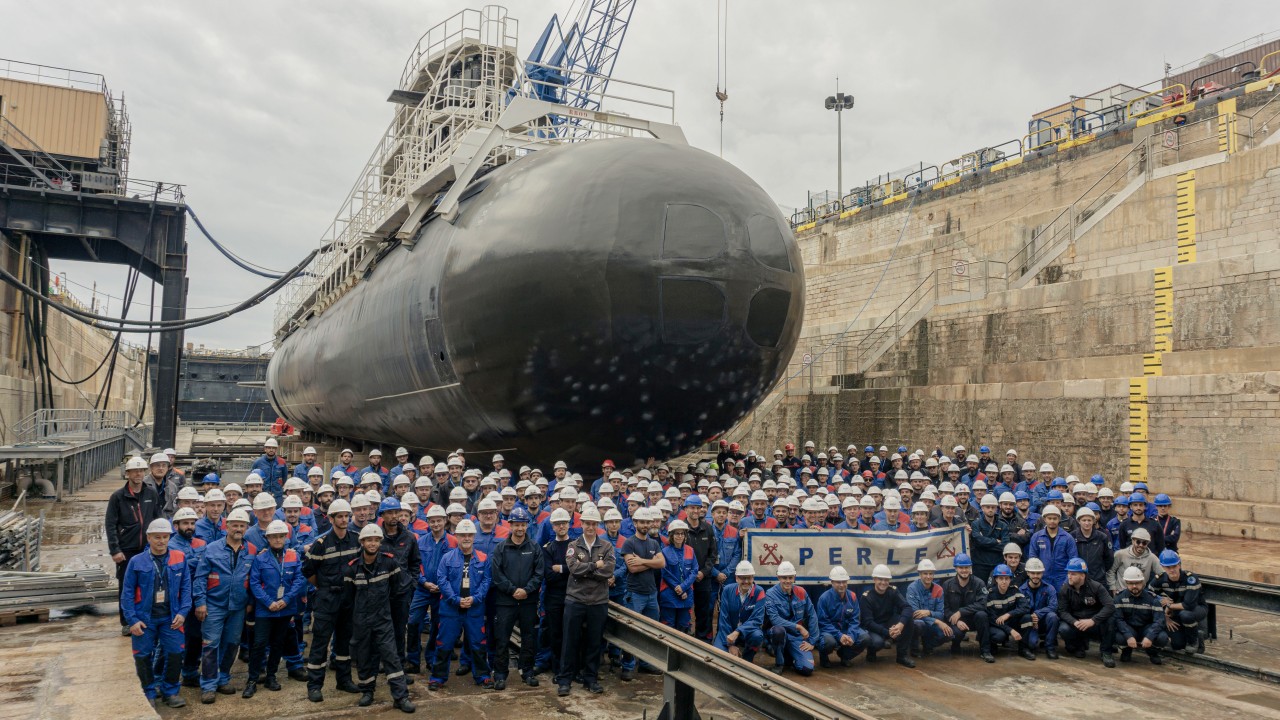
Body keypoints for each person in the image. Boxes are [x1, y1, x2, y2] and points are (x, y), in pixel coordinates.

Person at [345, 523, 416, 713]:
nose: (373, 543)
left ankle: (400, 697)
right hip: (361, 621)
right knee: (365, 658)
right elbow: (349, 597)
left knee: (392, 658)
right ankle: (367, 691)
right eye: (369, 540)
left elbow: (396, 589)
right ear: (362, 542)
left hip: (383, 620)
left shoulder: (389, 563)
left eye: (376, 540)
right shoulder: (352, 568)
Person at [122, 518, 190, 709]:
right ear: (149, 537)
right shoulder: (136, 562)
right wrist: (132, 620)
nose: (161, 541)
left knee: (176, 653)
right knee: (142, 656)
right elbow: (126, 593)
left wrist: (183, 613)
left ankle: (170, 691)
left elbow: (186, 588)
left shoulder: (180, 557)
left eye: (165, 537)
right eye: (157, 537)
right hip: (145, 619)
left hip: (172, 617)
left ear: (170, 537)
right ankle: (149, 692)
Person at [302, 498, 360, 702]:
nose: (344, 520)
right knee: (320, 643)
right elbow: (308, 571)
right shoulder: (321, 543)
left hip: (348, 599)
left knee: (344, 643)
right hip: (327, 599)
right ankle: (315, 685)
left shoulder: (356, 539)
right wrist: (323, 586)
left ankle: (344, 681)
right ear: (331, 518)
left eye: (346, 516)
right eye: (340, 516)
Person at [244, 520, 308, 698]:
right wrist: (268, 602)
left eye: (281, 536)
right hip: (265, 609)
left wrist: (286, 599)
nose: (278, 539)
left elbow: (299, 579)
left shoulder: (293, 556)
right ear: (268, 538)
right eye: (274, 536)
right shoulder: (260, 558)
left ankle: (272, 676)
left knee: (278, 643)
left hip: (285, 609)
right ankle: (252, 679)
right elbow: (254, 583)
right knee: (259, 644)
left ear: (286, 538)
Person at [430, 519, 492, 691]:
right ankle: (437, 677)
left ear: (474, 536)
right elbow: (442, 580)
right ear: (456, 536)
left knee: (478, 644)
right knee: (444, 643)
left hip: (474, 609)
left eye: (469, 535)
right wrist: (456, 600)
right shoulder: (446, 558)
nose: (466, 538)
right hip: (451, 609)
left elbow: (487, 581)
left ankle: (483, 676)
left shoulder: (483, 558)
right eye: (462, 535)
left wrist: (475, 599)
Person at [558, 507, 614, 696]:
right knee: (569, 641)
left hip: (598, 601)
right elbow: (573, 568)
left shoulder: (606, 546)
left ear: (597, 525)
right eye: (587, 523)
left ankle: (591, 679)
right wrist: (594, 566)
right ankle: (564, 679)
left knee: (594, 642)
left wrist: (587, 570)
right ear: (581, 524)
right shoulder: (573, 545)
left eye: (593, 523)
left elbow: (608, 571)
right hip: (575, 599)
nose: (590, 526)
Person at [490, 507, 544, 690]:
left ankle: (527, 671)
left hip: (528, 601)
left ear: (527, 525)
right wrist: (513, 590)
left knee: (529, 637)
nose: (520, 528)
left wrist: (526, 590)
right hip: (506, 601)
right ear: (510, 525)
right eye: (516, 524)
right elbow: (497, 575)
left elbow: (539, 574)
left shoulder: (534, 548)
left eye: (523, 524)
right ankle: (500, 674)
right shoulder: (501, 548)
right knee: (502, 638)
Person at [108, 456, 162, 635]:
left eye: (141, 471)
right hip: (127, 550)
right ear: (127, 474)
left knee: (150, 584)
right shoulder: (118, 497)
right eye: (135, 471)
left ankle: (147, 618)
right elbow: (110, 525)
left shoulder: (151, 494)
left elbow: (157, 519)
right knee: (127, 586)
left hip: (148, 548)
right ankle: (126, 621)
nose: (139, 474)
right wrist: (115, 550)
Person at [407, 504, 454, 674]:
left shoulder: (452, 542)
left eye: (439, 521)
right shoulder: (420, 541)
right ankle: (412, 659)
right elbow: (415, 565)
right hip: (423, 589)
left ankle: (431, 658)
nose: (436, 524)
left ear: (445, 521)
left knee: (437, 625)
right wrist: (423, 582)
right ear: (428, 522)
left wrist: (443, 586)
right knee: (412, 622)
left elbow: (454, 567)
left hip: (442, 592)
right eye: (432, 521)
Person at [619, 507, 666, 679]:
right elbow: (632, 568)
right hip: (635, 594)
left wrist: (643, 561)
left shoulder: (653, 543)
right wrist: (652, 562)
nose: (645, 525)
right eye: (642, 522)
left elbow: (662, 563)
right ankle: (628, 666)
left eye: (648, 522)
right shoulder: (629, 543)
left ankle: (646, 664)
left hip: (651, 593)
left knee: (651, 631)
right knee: (631, 630)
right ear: (635, 523)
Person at [377, 498, 422, 669]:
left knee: (399, 630)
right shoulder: (376, 537)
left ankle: (398, 664)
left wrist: (412, 584)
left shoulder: (409, 538)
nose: (394, 516)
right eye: (389, 513)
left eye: (396, 512)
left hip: (402, 592)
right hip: (380, 592)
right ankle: (383, 661)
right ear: (382, 515)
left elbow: (415, 563)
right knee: (381, 629)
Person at [166, 508, 206, 689]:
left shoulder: (201, 544)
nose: (190, 527)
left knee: (195, 637)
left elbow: (204, 568)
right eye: (185, 523)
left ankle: (190, 672)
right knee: (173, 639)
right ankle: (165, 678)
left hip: (195, 597)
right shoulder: (170, 546)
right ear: (176, 526)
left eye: (192, 523)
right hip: (177, 600)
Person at [1057, 558, 1116, 668]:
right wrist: (1074, 622)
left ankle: (1106, 652)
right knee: (1063, 628)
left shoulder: (1096, 587)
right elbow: (1062, 611)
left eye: (1073, 574)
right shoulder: (1065, 589)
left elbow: (1110, 606)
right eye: (1068, 573)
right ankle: (1077, 646)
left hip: (1094, 623)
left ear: (1083, 575)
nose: (1069, 576)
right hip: (1077, 623)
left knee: (1110, 620)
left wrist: (1093, 620)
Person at [537, 507, 574, 678]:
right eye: (558, 524)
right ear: (552, 527)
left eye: (564, 523)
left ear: (569, 524)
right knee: (555, 633)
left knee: (572, 633)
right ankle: (557, 669)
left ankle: (571, 669)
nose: (561, 526)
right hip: (553, 597)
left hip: (573, 595)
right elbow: (549, 576)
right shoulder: (547, 548)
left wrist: (561, 568)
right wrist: (569, 571)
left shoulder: (576, 546)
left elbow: (579, 571)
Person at [765, 561, 818, 676]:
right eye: (784, 577)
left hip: (796, 637)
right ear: (778, 577)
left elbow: (812, 615)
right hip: (779, 633)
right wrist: (798, 627)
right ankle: (779, 663)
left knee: (807, 669)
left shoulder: (801, 592)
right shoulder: (770, 594)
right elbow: (775, 619)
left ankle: (790, 658)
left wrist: (812, 641)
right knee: (778, 631)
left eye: (790, 577)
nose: (788, 581)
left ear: (794, 577)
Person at [1150, 550, 1207, 654]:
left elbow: (1189, 605)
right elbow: (1148, 595)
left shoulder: (1190, 578)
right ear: (1163, 567)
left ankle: (1193, 642)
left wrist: (1169, 606)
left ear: (1179, 564)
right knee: (1177, 645)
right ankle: (1195, 635)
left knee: (1186, 615)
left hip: (1196, 609)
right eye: (1168, 567)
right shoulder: (1160, 579)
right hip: (1176, 611)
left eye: (1174, 566)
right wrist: (1161, 602)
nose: (1172, 570)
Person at [859, 564, 915, 668]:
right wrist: (887, 633)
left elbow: (907, 607)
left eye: (886, 580)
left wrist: (900, 624)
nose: (883, 582)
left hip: (889, 622)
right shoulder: (866, 597)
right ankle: (871, 651)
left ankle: (902, 656)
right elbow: (868, 622)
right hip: (874, 627)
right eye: (880, 579)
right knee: (877, 643)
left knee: (909, 620)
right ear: (874, 579)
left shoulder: (893, 591)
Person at [942, 553, 994, 663]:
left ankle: (985, 651)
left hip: (973, 619)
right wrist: (956, 621)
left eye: (967, 567)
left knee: (982, 615)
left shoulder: (979, 583)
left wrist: (961, 612)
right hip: (956, 620)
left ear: (970, 568)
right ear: (956, 568)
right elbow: (945, 608)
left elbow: (982, 604)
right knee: (956, 632)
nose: (964, 570)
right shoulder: (947, 585)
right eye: (961, 567)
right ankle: (955, 645)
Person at [681, 496, 720, 642]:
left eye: (698, 507)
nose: (695, 510)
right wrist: (690, 574)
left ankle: (703, 641)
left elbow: (713, 554)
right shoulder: (680, 528)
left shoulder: (707, 528)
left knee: (704, 612)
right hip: (685, 579)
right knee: (684, 610)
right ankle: (684, 640)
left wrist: (703, 572)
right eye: (692, 507)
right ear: (685, 509)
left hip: (703, 578)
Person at [1114, 565, 1168, 664]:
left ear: (1142, 582)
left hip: (1146, 629)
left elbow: (1159, 620)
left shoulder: (1152, 599)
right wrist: (1128, 636)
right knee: (1119, 636)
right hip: (1130, 628)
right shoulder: (1119, 598)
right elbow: (1118, 620)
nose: (1134, 586)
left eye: (1137, 583)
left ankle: (1152, 652)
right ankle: (1126, 650)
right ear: (1126, 583)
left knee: (1162, 637)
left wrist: (1150, 636)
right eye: (1131, 583)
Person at [713, 561, 766, 660]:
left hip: (746, 632)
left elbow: (757, 619)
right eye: (742, 578)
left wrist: (738, 632)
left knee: (757, 636)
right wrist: (730, 644)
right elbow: (724, 618)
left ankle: (747, 659)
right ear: (736, 578)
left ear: (753, 578)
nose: (746, 581)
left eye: (749, 577)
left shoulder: (759, 592)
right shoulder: (728, 590)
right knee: (718, 657)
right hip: (728, 632)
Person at [817, 565, 868, 667]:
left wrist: (851, 636)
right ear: (832, 582)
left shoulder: (852, 596)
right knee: (828, 642)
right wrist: (839, 635)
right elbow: (823, 623)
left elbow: (855, 620)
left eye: (844, 582)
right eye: (838, 582)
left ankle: (845, 655)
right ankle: (823, 657)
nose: (842, 585)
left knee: (865, 638)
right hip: (829, 631)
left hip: (846, 630)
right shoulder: (824, 598)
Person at [985, 564, 1035, 661]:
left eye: (1007, 578)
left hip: (1009, 620)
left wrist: (1009, 614)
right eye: (1001, 578)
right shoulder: (990, 595)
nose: (1004, 581)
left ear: (1010, 579)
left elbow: (1025, 607)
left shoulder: (1014, 590)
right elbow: (992, 618)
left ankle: (1024, 649)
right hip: (996, 624)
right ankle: (992, 644)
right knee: (1000, 636)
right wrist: (1011, 631)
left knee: (1027, 618)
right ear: (996, 579)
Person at [658, 519, 698, 633]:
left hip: (687, 594)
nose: (679, 536)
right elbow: (665, 572)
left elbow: (694, 570)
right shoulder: (664, 551)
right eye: (677, 533)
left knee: (684, 625)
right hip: (670, 594)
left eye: (682, 533)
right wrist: (678, 588)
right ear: (671, 535)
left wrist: (683, 587)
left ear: (685, 535)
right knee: (668, 625)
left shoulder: (690, 550)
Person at [1028, 505, 1077, 591]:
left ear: (1059, 519)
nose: (1052, 521)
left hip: (1062, 579)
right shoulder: (1037, 537)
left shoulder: (1068, 538)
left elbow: (1073, 560)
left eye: (1055, 518)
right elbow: (1033, 558)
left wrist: (1067, 580)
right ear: (1044, 519)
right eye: (1049, 518)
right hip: (1043, 578)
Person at [906, 559, 949, 657]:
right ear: (920, 574)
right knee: (918, 624)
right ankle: (914, 648)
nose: (928, 576)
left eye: (931, 573)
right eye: (925, 573)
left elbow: (940, 614)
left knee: (948, 634)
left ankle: (928, 645)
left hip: (930, 623)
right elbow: (915, 614)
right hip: (918, 623)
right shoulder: (912, 588)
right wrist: (937, 621)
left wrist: (929, 612)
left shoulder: (938, 589)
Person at [1020, 557, 1059, 659]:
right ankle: (1027, 643)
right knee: (1032, 644)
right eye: (1033, 573)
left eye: (1038, 573)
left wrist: (1037, 614)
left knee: (1053, 616)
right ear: (1028, 573)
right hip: (1030, 623)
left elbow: (1053, 606)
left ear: (1042, 573)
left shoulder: (1049, 588)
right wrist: (1032, 618)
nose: (1036, 576)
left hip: (1043, 621)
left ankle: (1050, 647)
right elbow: (1020, 609)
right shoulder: (1021, 590)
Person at [1108, 527, 1159, 593]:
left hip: (1141, 594)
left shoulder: (1152, 557)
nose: (1141, 545)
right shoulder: (1120, 554)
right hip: (1121, 592)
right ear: (1132, 541)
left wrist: (1152, 589)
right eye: (1138, 542)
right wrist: (1113, 588)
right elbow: (1111, 571)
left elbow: (1162, 574)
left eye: (1144, 543)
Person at [252, 438, 289, 504]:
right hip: (262, 495)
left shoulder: (281, 462)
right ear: (265, 449)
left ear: (276, 449)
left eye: (273, 448)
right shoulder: (258, 463)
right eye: (269, 448)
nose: (271, 450)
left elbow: (284, 478)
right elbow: (252, 478)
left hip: (277, 496)